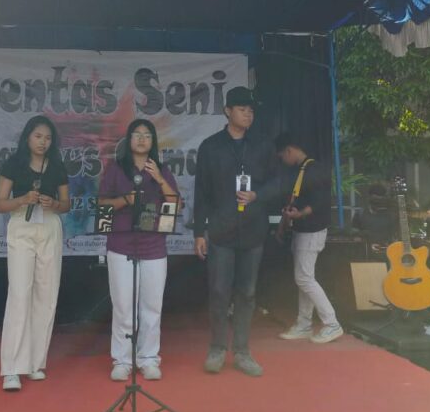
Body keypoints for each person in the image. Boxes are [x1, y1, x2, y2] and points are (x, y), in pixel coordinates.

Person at [193, 86, 275, 377]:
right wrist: (199, 232)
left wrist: (257, 195)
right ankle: (217, 348)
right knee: (219, 290)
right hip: (220, 230)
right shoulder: (210, 146)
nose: (248, 114)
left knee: (247, 292)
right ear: (228, 111)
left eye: (251, 110)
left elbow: (278, 182)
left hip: (253, 229)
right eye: (242, 109)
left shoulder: (263, 145)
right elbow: (201, 192)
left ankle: (242, 351)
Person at [99, 119, 179, 381]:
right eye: (137, 134)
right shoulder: (116, 169)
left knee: (151, 307)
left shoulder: (161, 170)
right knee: (123, 306)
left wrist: (159, 179)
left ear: (153, 141)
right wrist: (125, 200)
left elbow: (176, 205)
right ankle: (122, 360)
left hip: (153, 246)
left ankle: (148, 358)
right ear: (129, 139)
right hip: (121, 245)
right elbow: (102, 204)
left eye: (147, 135)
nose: (142, 139)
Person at [0, 115, 69, 392]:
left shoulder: (57, 165)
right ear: (28, 137)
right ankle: (12, 368)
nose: (42, 142)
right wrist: (23, 199)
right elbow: (0, 204)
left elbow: (66, 204)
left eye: (47, 138)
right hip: (22, 224)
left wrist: (54, 203)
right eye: (38, 136)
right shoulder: (14, 163)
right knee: (20, 293)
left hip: (49, 225)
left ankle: (36, 362)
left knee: (46, 294)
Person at [275, 131, 343, 344]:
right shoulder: (302, 170)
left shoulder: (314, 169)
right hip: (302, 230)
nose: (283, 161)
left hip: (312, 230)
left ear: (289, 151)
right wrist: (285, 223)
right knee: (305, 277)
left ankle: (332, 323)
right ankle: (304, 324)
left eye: (282, 157)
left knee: (304, 278)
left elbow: (321, 201)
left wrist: (300, 214)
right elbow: (295, 202)